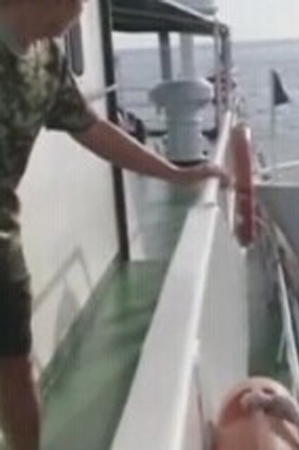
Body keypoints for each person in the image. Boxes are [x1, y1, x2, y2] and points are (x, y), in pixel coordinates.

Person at [0, 1, 230, 449]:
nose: (79, 14)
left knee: (15, 368)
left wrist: (174, 173)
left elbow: (93, 130)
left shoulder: (47, 62)